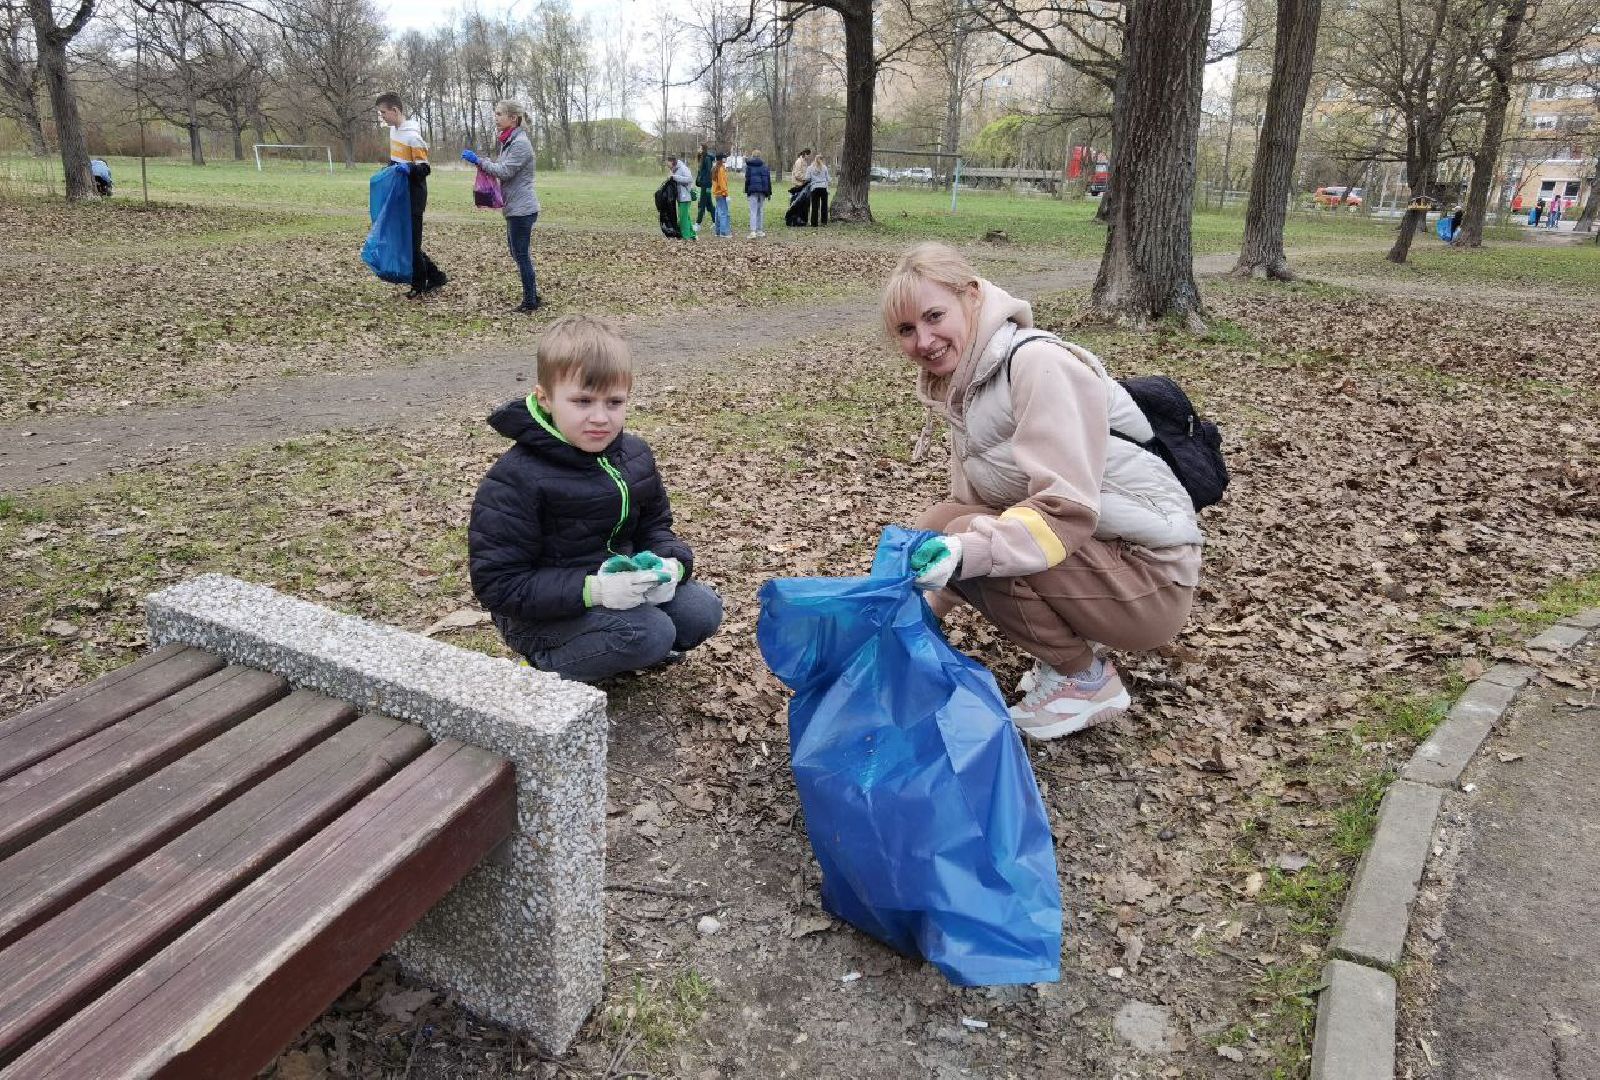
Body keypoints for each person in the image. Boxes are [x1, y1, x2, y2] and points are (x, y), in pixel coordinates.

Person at [882, 243, 1201, 739]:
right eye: (906, 329)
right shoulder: (966, 382)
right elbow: (967, 505)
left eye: (933, 316)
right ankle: (906, 645)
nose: (923, 340)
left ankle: (1085, 679)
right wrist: (917, 616)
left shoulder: (1035, 364)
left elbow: (1065, 512)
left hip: (1150, 580)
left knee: (968, 537)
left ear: (971, 296)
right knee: (940, 523)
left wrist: (964, 551)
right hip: (1101, 559)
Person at [469, 315, 724, 683]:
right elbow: (499, 585)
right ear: (546, 399)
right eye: (583, 401)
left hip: (621, 588)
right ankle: (539, 670)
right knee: (651, 633)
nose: (600, 418)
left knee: (702, 611)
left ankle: (618, 647)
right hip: (537, 616)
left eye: (614, 402)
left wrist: (670, 565)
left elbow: (657, 527)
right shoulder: (515, 479)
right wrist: (596, 590)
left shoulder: (634, 456)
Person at [462, 99, 541, 313]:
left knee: (521, 255)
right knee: (517, 254)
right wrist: (484, 162)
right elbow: (501, 168)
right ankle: (533, 293)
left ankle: (530, 302)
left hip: (523, 209)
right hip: (514, 207)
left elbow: (505, 171)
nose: (495, 118)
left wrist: (479, 161)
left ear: (513, 118)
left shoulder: (520, 143)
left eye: (499, 114)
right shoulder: (509, 141)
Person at [376, 91, 447, 299]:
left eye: (384, 113)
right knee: (407, 241)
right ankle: (436, 276)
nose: (382, 117)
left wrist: (409, 169)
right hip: (399, 195)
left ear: (395, 110)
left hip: (414, 196)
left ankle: (419, 285)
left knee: (412, 243)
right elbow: (396, 161)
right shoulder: (393, 133)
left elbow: (425, 169)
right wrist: (389, 168)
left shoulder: (413, 137)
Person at [744, 148, 772, 237]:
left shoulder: (749, 167)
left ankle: (753, 231)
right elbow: (768, 180)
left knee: (753, 211)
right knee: (760, 211)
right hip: (762, 192)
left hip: (752, 191)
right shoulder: (765, 166)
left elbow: (747, 180)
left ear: (752, 156)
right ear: (760, 156)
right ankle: (759, 230)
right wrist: (769, 193)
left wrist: (746, 191)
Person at [668, 155, 696, 241]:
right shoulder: (674, 169)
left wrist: (674, 177)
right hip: (680, 197)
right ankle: (692, 235)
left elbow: (689, 179)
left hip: (685, 196)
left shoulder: (683, 168)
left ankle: (686, 236)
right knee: (686, 216)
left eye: (668, 161)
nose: (666, 163)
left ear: (672, 161)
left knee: (683, 217)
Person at [694, 141, 716, 233]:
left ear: (703, 149)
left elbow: (709, 172)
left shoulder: (707, 159)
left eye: (699, 148)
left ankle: (698, 224)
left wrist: (705, 183)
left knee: (702, 203)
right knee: (709, 205)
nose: (698, 149)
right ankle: (716, 222)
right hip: (703, 184)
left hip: (706, 185)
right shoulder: (702, 158)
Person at [806, 154, 830, 227]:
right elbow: (828, 178)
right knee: (824, 206)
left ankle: (814, 223)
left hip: (815, 188)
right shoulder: (825, 167)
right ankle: (824, 222)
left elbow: (807, 178)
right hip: (823, 188)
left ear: (814, 159)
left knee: (815, 206)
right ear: (822, 160)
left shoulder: (810, 168)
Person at [711, 153, 732, 237]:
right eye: (724, 158)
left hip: (716, 193)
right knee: (724, 213)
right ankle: (723, 232)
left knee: (717, 213)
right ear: (722, 159)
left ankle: (717, 231)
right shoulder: (721, 169)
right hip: (721, 193)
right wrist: (726, 193)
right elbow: (722, 182)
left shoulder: (714, 168)